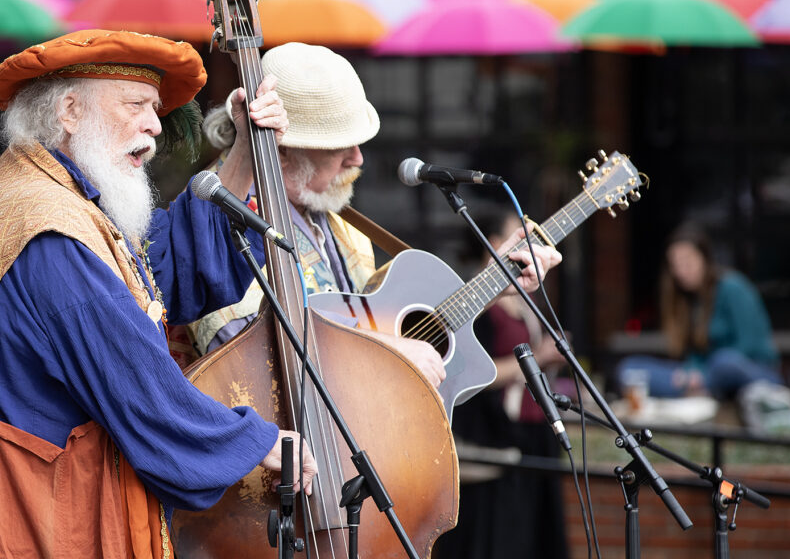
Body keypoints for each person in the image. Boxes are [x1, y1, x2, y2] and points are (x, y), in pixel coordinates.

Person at [0, 28, 317, 559]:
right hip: (40, 524)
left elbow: (157, 272)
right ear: (69, 111)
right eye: (134, 106)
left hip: (33, 509)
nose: (154, 128)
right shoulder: (50, 229)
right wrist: (260, 443)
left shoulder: (46, 196)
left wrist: (244, 159)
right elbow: (139, 385)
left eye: (155, 110)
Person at [182, 41, 562, 391]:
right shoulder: (217, 212)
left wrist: (495, 282)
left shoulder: (332, 219)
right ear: (281, 151)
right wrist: (388, 352)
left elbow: (398, 328)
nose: (358, 158)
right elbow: (246, 357)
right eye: (339, 146)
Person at [433, 207, 575, 559]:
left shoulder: (523, 299)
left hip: (534, 429)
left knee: (537, 535)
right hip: (496, 431)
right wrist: (538, 358)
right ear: (497, 244)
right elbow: (470, 374)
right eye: (517, 234)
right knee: (498, 537)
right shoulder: (476, 307)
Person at [615, 222, 784, 400]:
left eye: (687, 262)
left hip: (753, 371)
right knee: (629, 368)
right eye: (675, 265)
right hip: (702, 377)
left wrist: (701, 372)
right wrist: (689, 373)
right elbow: (694, 354)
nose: (681, 271)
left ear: (704, 258)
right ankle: (696, 390)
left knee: (724, 362)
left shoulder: (733, 287)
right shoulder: (686, 300)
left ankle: (696, 390)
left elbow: (749, 345)